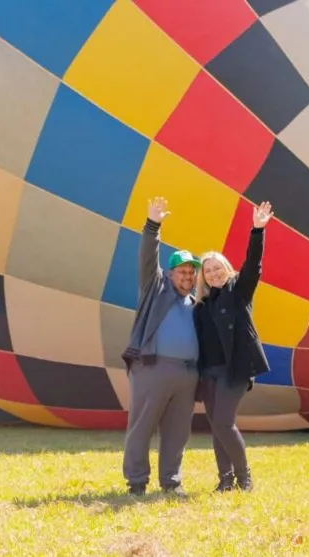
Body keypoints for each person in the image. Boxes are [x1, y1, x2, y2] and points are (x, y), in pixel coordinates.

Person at [120, 197, 202, 496]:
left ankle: (172, 481)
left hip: (187, 374)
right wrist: (153, 225)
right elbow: (147, 258)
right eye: (182, 271)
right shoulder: (155, 290)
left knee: (177, 432)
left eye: (192, 272)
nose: (188, 276)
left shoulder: (195, 303)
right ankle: (137, 482)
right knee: (142, 426)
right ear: (170, 274)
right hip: (153, 367)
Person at [193, 201, 274, 492]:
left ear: (226, 269)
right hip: (210, 373)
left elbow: (254, 264)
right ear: (203, 277)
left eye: (217, 268)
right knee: (216, 425)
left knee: (224, 423)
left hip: (234, 370)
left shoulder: (239, 291)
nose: (213, 273)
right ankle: (224, 479)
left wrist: (257, 230)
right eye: (208, 271)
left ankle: (244, 477)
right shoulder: (201, 305)